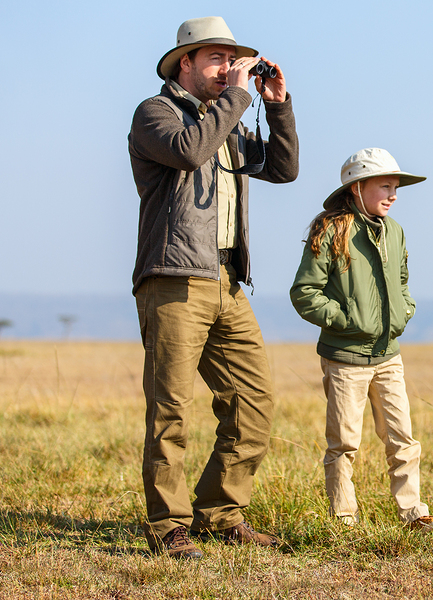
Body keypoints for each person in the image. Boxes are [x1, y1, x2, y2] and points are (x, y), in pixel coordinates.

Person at [128, 16, 299, 559]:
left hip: (227, 279)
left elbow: (285, 169)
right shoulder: (155, 115)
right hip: (174, 277)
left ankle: (220, 512)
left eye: (234, 60)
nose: (229, 69)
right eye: (218, 60)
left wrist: (275, 104)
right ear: (187, 62)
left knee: (254, 401)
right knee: (170, 408)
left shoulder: (228, 120)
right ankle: (168, 525)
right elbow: (189, 151)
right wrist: (240, 97)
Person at [290, 148, 433, 530]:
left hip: (388, 356)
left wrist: (404, 311)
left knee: (403, 439)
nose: (393, 195)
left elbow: (401, 283)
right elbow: (304, 292)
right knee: (344, 443)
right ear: (358, 187)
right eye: (385, 186)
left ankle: (414, 515)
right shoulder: (330, 231)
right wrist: (346, 320)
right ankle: (343, 520)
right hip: (344, 358)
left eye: (396, 187)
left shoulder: (394, 231)